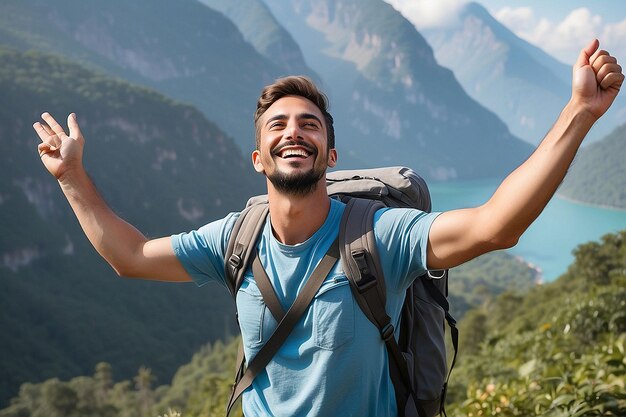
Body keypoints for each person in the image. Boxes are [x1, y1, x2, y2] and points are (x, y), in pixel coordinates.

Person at [34, 39, 623, 416]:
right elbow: (130, 256)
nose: (295, 131)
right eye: (279, 124)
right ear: (258, 157)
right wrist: (71, 178)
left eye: (310, 124)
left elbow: (495, 226)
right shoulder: (233, 241)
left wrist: (578, 113)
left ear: (330, 155)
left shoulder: (379, 237)